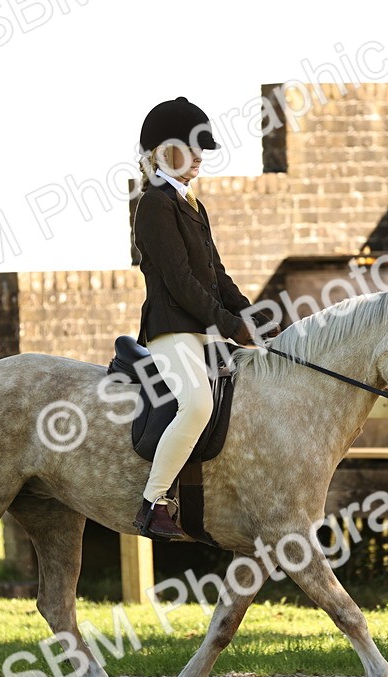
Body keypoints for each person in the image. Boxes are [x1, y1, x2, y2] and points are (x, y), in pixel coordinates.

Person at [130, 96, 279, 541]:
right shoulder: (154, 206)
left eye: (201, 150)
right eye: (189, 148)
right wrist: (231, 326)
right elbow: (180, 283)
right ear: (160, 152)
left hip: (201, 330)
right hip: (171, 331)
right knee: (197, 406)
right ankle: (152, 502)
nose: (198, 158)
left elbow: (215, 274)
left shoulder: (193, 204)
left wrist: (252, 313)